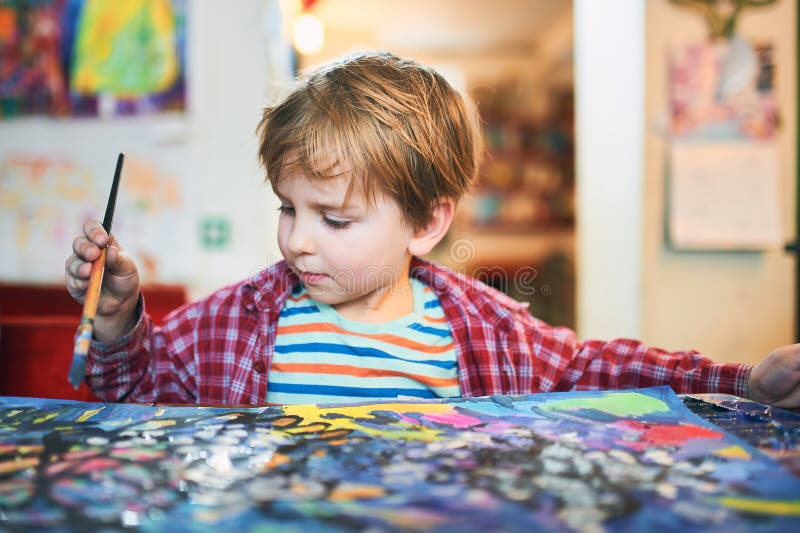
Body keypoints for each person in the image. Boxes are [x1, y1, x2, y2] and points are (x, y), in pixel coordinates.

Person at [65, 51, 800, 407]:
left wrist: (742, 380)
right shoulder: (239, 318)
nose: (297, 240)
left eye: (336, 218)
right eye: (289, 208)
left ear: (427, 221)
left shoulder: (486, 331)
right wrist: (122, 315)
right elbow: (132, 389)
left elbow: (602, 367)